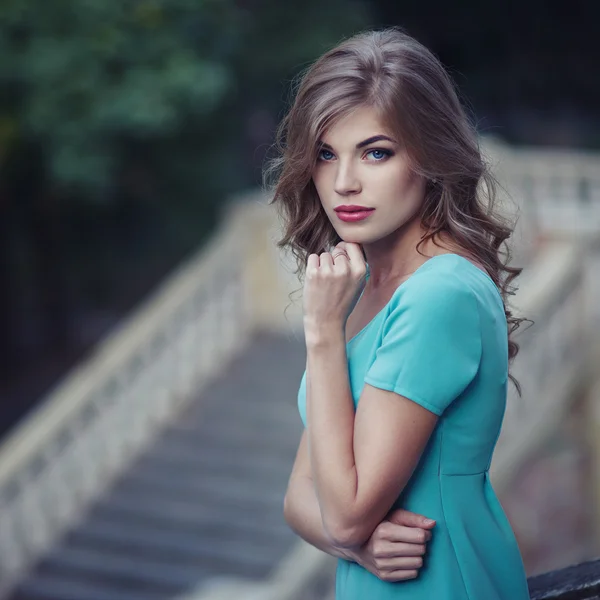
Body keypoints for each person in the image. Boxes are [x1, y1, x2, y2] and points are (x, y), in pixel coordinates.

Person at [266, 27, 530, 599]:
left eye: (376, 152)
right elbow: (298, 500)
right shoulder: (362, 283)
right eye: (325, 155)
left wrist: (323, 335)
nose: (344, 183)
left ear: (431, 156)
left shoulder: (441, 293)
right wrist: (357, 545)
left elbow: (346, 512)